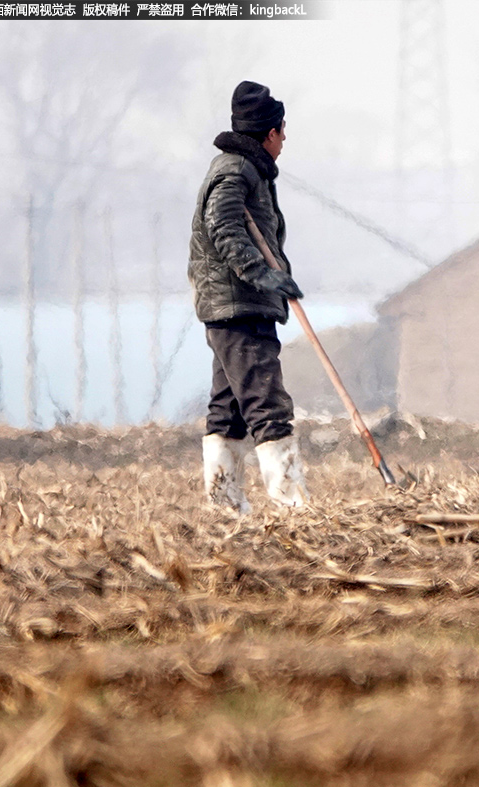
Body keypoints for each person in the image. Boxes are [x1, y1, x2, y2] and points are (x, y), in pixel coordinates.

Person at [188, 80, 307, 513]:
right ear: (269, 133)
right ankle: (292, 506)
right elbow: (223, 227)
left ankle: (225, 507)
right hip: (239, 307)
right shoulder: (236, 171)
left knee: (230, 412)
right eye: (282, 130)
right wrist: (262, 275)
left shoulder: (244, 169)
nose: (285, 139)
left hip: (235, 306)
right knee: (267, 405)